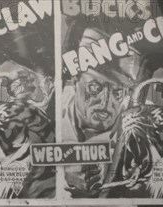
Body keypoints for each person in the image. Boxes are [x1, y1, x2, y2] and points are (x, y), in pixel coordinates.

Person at [62, 26, 151, 197]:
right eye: (95, 87)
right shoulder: (54, 115)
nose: (105, 102)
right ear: (75, 80)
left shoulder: (135, 125)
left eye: (117, 92)